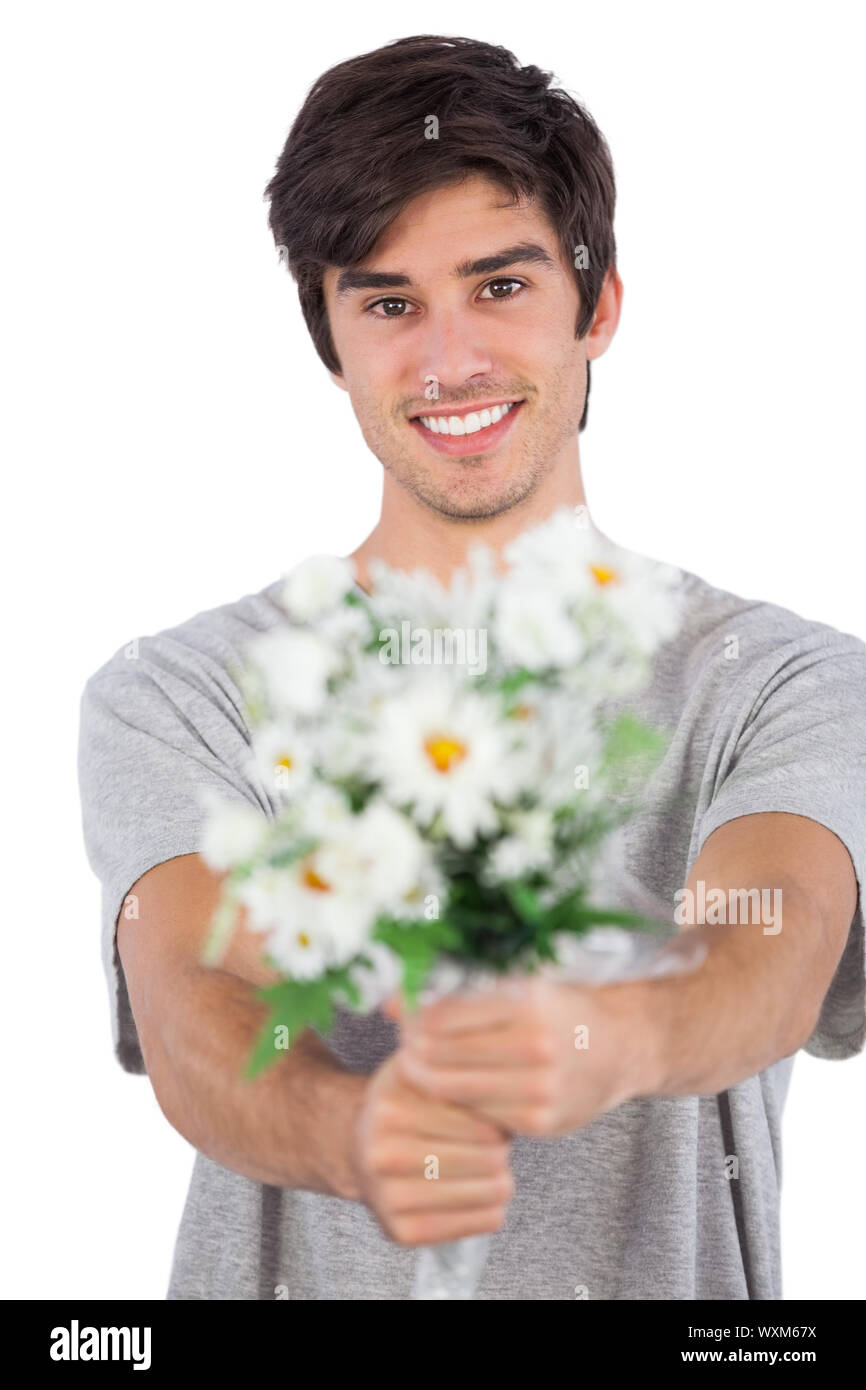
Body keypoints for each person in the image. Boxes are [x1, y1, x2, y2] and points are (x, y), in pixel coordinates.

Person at [77, 34, 866, 1300]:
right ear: (329, 338)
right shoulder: (187, 692)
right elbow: (211, 998)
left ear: (594, 303)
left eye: (498, 287)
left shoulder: (780, 681)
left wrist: (614, 1033)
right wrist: (348, 1127)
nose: (445, 363)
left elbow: (767, 936)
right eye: (387, 303)